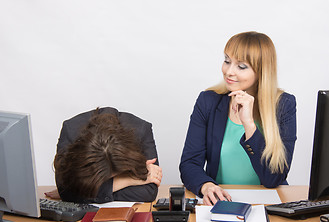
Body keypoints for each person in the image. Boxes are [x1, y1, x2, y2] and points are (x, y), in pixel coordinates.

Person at [179, 31, 297, 206]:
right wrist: (206, 186)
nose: (228, 71)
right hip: (221, 201)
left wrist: (249, 124)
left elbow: (273, 178)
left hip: (267, 204)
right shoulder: (208, 100)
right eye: (227, 61)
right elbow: (189, 164)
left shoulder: (283, 105)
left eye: (241, 66)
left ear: (261, 71)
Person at [47, 107, 162, 203]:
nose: (108, 179)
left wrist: (83, 193)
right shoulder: (70, 130)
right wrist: (128, 179)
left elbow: (148, 193)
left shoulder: (141, 129)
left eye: (113, 175)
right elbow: (66, 194)